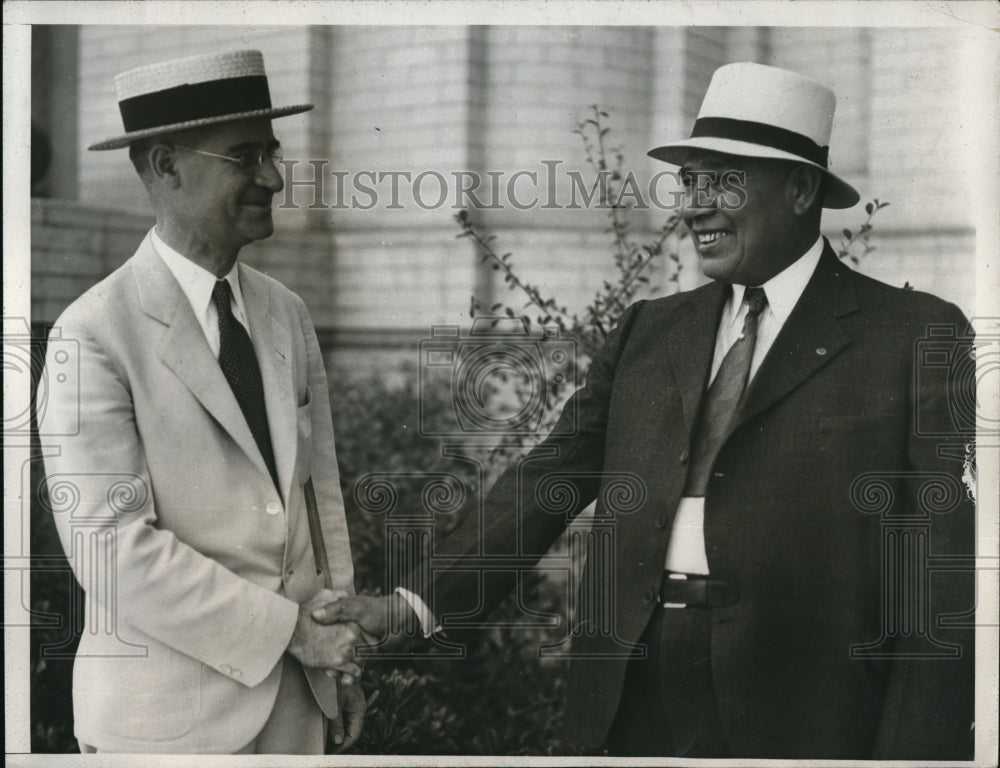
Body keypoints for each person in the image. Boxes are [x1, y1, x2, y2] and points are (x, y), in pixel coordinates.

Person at [312, 62, 976, 759]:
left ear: (801, 187)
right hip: (631, 697)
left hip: (807, 714)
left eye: (721, 179)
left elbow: (937, 580)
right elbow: (548, 481)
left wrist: (916, 754)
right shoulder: (649, 331)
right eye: (689, 182)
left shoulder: (912, 335)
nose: (693, 207)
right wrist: (412, 607)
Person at [38, 49, 365, 754]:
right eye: (245, 157)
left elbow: (317, 499)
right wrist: (295, 633)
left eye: (271, 155)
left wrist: (339, 648)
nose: (273, 178)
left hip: (297, 711)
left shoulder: (286, 314)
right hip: (166, 727)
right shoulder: (91, 335)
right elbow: (110, 550)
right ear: (164, 165)